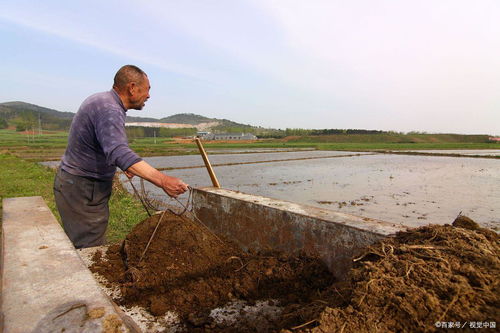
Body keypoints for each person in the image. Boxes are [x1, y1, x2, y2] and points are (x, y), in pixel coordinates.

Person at [54, 65, 188, 249]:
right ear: (132, 88)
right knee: (88, 248)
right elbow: (118, 150)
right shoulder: (110, 109)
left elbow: (104, 145)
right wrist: (163, 180)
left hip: (76, 183)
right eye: (147, 89)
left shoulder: (103, 101)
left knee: (83, 241)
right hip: (83, 187)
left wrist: (125, 164)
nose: (148, 95)